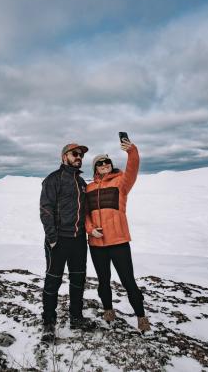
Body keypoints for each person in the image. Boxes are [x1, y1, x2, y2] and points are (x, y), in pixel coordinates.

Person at [85, 138, 151, 332]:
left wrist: (132, 151)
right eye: (100, 163)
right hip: (97, 243)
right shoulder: (88, 188)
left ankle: (141, 317)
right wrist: (90, 230)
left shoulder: (121, 182)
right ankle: (108, 311)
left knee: (128, 281)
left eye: (107, 162)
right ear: (95, 169)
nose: (104, 164)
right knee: (103, 281)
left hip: (119, 241)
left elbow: (133, 168)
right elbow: (85, 214)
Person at [39, 142, 97, 342]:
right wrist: (52, 239)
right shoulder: (53, 179)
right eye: (75, 153)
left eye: (81, 154)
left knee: (78, 281)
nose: (79, 156)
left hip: (79, 240)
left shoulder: (81, 182)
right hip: (59, 241)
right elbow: (45, 210)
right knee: (53, 281)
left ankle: (76, 317)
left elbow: (86, 211)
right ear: (64, 157)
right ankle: (48, 322)